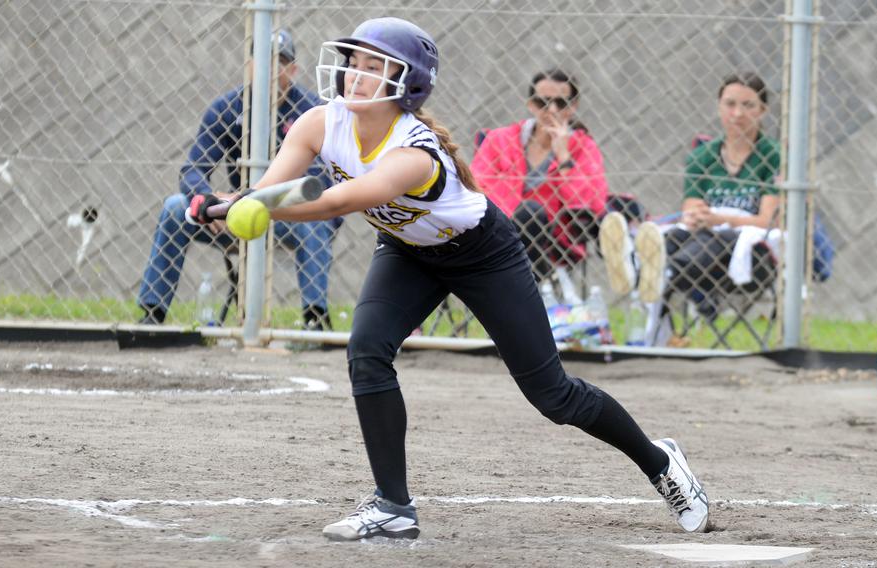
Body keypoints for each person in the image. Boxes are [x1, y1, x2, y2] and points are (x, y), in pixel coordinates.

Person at [194, 18, 709, 540]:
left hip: (483, 254)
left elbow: (338, 201)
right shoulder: (317, 123)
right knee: (367, 350)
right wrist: (220, 206)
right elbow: (265, 192)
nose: (355, 75)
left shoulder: (412, 154)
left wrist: (258, 208)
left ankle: (660, 463)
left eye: (376, 67)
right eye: (355, 62)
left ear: (408, 84)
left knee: (553, 396)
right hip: (407, 251)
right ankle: (393, 506)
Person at [137, 28, 341, 330]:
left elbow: (319, 181)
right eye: (262, 60)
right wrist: (205, 197)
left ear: (293, 70)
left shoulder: (311, 112)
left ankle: (315, 320)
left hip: (291, 214)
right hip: (237, 211)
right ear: (249, 66)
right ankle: (152, 316)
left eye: (280, 62)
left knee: (315, 219)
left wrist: (260, 199)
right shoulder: (226, 109)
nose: (270, 69)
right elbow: (193, 168)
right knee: (174, 207)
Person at [601, 71, 781, 318]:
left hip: (750, 247)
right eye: (730, 104)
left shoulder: (774, 155)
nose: (737, 113)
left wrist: (718, 220)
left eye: (748, 105)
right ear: (719, 106)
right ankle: (640, 263)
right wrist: (700, 218)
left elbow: (768, 221)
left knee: (714, 237)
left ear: (762, 111)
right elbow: (692, 210)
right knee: (677, 233)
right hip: (700, 240)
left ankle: (654, 270)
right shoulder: (703, 155)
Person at [470, 69, 609, 282]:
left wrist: (564, 159)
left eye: (561, 103)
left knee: (530, 212)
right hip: (497, 230)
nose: (551, 110)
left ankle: (523, 290)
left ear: (573, 107)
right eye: (543, 102)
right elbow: (475, 188)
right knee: (524, 213)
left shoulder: (584, 148)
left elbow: (589, 206)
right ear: (531, 105)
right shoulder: (500, 139)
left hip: (553, 242)